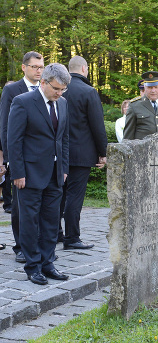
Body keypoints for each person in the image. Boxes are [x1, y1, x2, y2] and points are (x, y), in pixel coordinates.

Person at [8, 63, 71, 285]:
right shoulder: (23, 102)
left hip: (55, 174)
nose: (60, 93)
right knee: (29, 222)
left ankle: (47, 263)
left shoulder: (62, 103)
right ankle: (33, 266)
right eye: (56, 88)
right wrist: (17, 172)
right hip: (29, 174)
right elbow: (14, 140)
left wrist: (63, 169)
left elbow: (63, 139)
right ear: (43, 82)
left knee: (51, 221)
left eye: (63, 90)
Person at [59, 56, 108, 250]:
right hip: (81, 155)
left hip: (58, 153)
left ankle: (56, 234)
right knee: (74, 197)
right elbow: (97, 126)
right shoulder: (88, 92)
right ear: (84, 69)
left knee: (58, 195)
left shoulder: (58, 89)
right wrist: (103, 152)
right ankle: (72, 238)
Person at [0, 51, 44, 263]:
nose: (38, 70)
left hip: (42, 158)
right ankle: (20, 246)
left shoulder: (46, 88)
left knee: (41, 204)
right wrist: (8, 159)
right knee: (19, 205)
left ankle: (38, 243)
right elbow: (5, 126)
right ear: (24, 68)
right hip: (20, 156)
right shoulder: (12, 90)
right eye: (35, 67)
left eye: (41, 66)